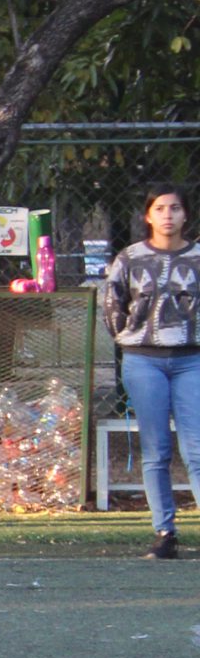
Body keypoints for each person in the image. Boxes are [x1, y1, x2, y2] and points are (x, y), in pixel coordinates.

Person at [99, 182, 200, 560]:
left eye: (175, 208)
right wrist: (132, 339)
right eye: (160, 208)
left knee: (196, 449)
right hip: (144, 360)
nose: (167, 215)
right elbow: (113, 305)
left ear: (185, 214)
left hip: (192, 359)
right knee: (156, 450)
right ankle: (165, 532)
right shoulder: (131, 258)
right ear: (148, 215)